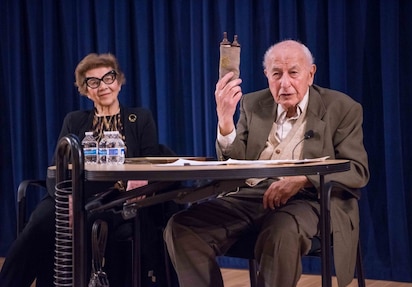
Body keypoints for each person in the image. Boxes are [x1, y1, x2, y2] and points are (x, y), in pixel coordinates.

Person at [163, 40, 370, 287]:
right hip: (251, 196)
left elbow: (357, 170)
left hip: (310, 199)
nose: (284, 83)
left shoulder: (341, 108)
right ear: (266, 75)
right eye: (276, 74)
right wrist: (225, 120)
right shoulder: (253, 104)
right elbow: (234, 161)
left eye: (293, 73)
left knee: (280, 232)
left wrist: (303, 179)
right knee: (183, 226)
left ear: (310, 74)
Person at [0, 53, 174, 287]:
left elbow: (150, 159)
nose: (102, 86)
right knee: (39, 223)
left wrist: (140, 176)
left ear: (119, 81)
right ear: (85, 89)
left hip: (115, 198)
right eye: (93, 82)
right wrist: (67, 199)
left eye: (108, 78)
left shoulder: (139, 118)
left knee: (91, 221)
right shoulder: (74, 120)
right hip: (73, 194)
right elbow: (56, 168)